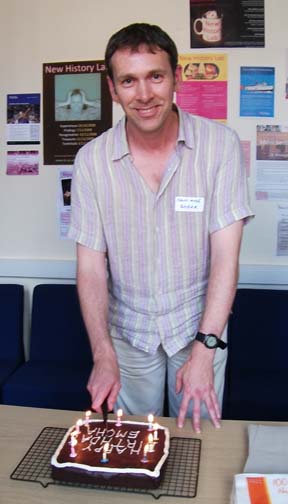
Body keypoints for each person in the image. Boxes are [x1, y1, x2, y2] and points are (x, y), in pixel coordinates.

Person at [69, 23, 254, 433]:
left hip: (199, 330)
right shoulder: (91, 161)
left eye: (156, 75)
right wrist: (103, 355)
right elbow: (90, 267)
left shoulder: (220, 145)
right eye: (129, 81)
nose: (145, 94)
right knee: (132, 447)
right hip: (127, 336)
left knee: (197, 445)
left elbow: (226, 257)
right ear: (113, 89)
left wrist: (205, 352)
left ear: (177, 77)